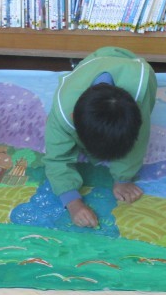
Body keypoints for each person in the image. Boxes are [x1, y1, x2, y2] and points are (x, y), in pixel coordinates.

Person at [44, 46, 157, 228]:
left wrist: (123, 179)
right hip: (92, 62)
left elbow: (138, 142)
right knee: (57, 139)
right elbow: (56, 158)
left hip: (132, 66)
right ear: (73, 118)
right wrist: (72, 202)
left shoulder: (141, 91)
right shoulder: (62, 111)